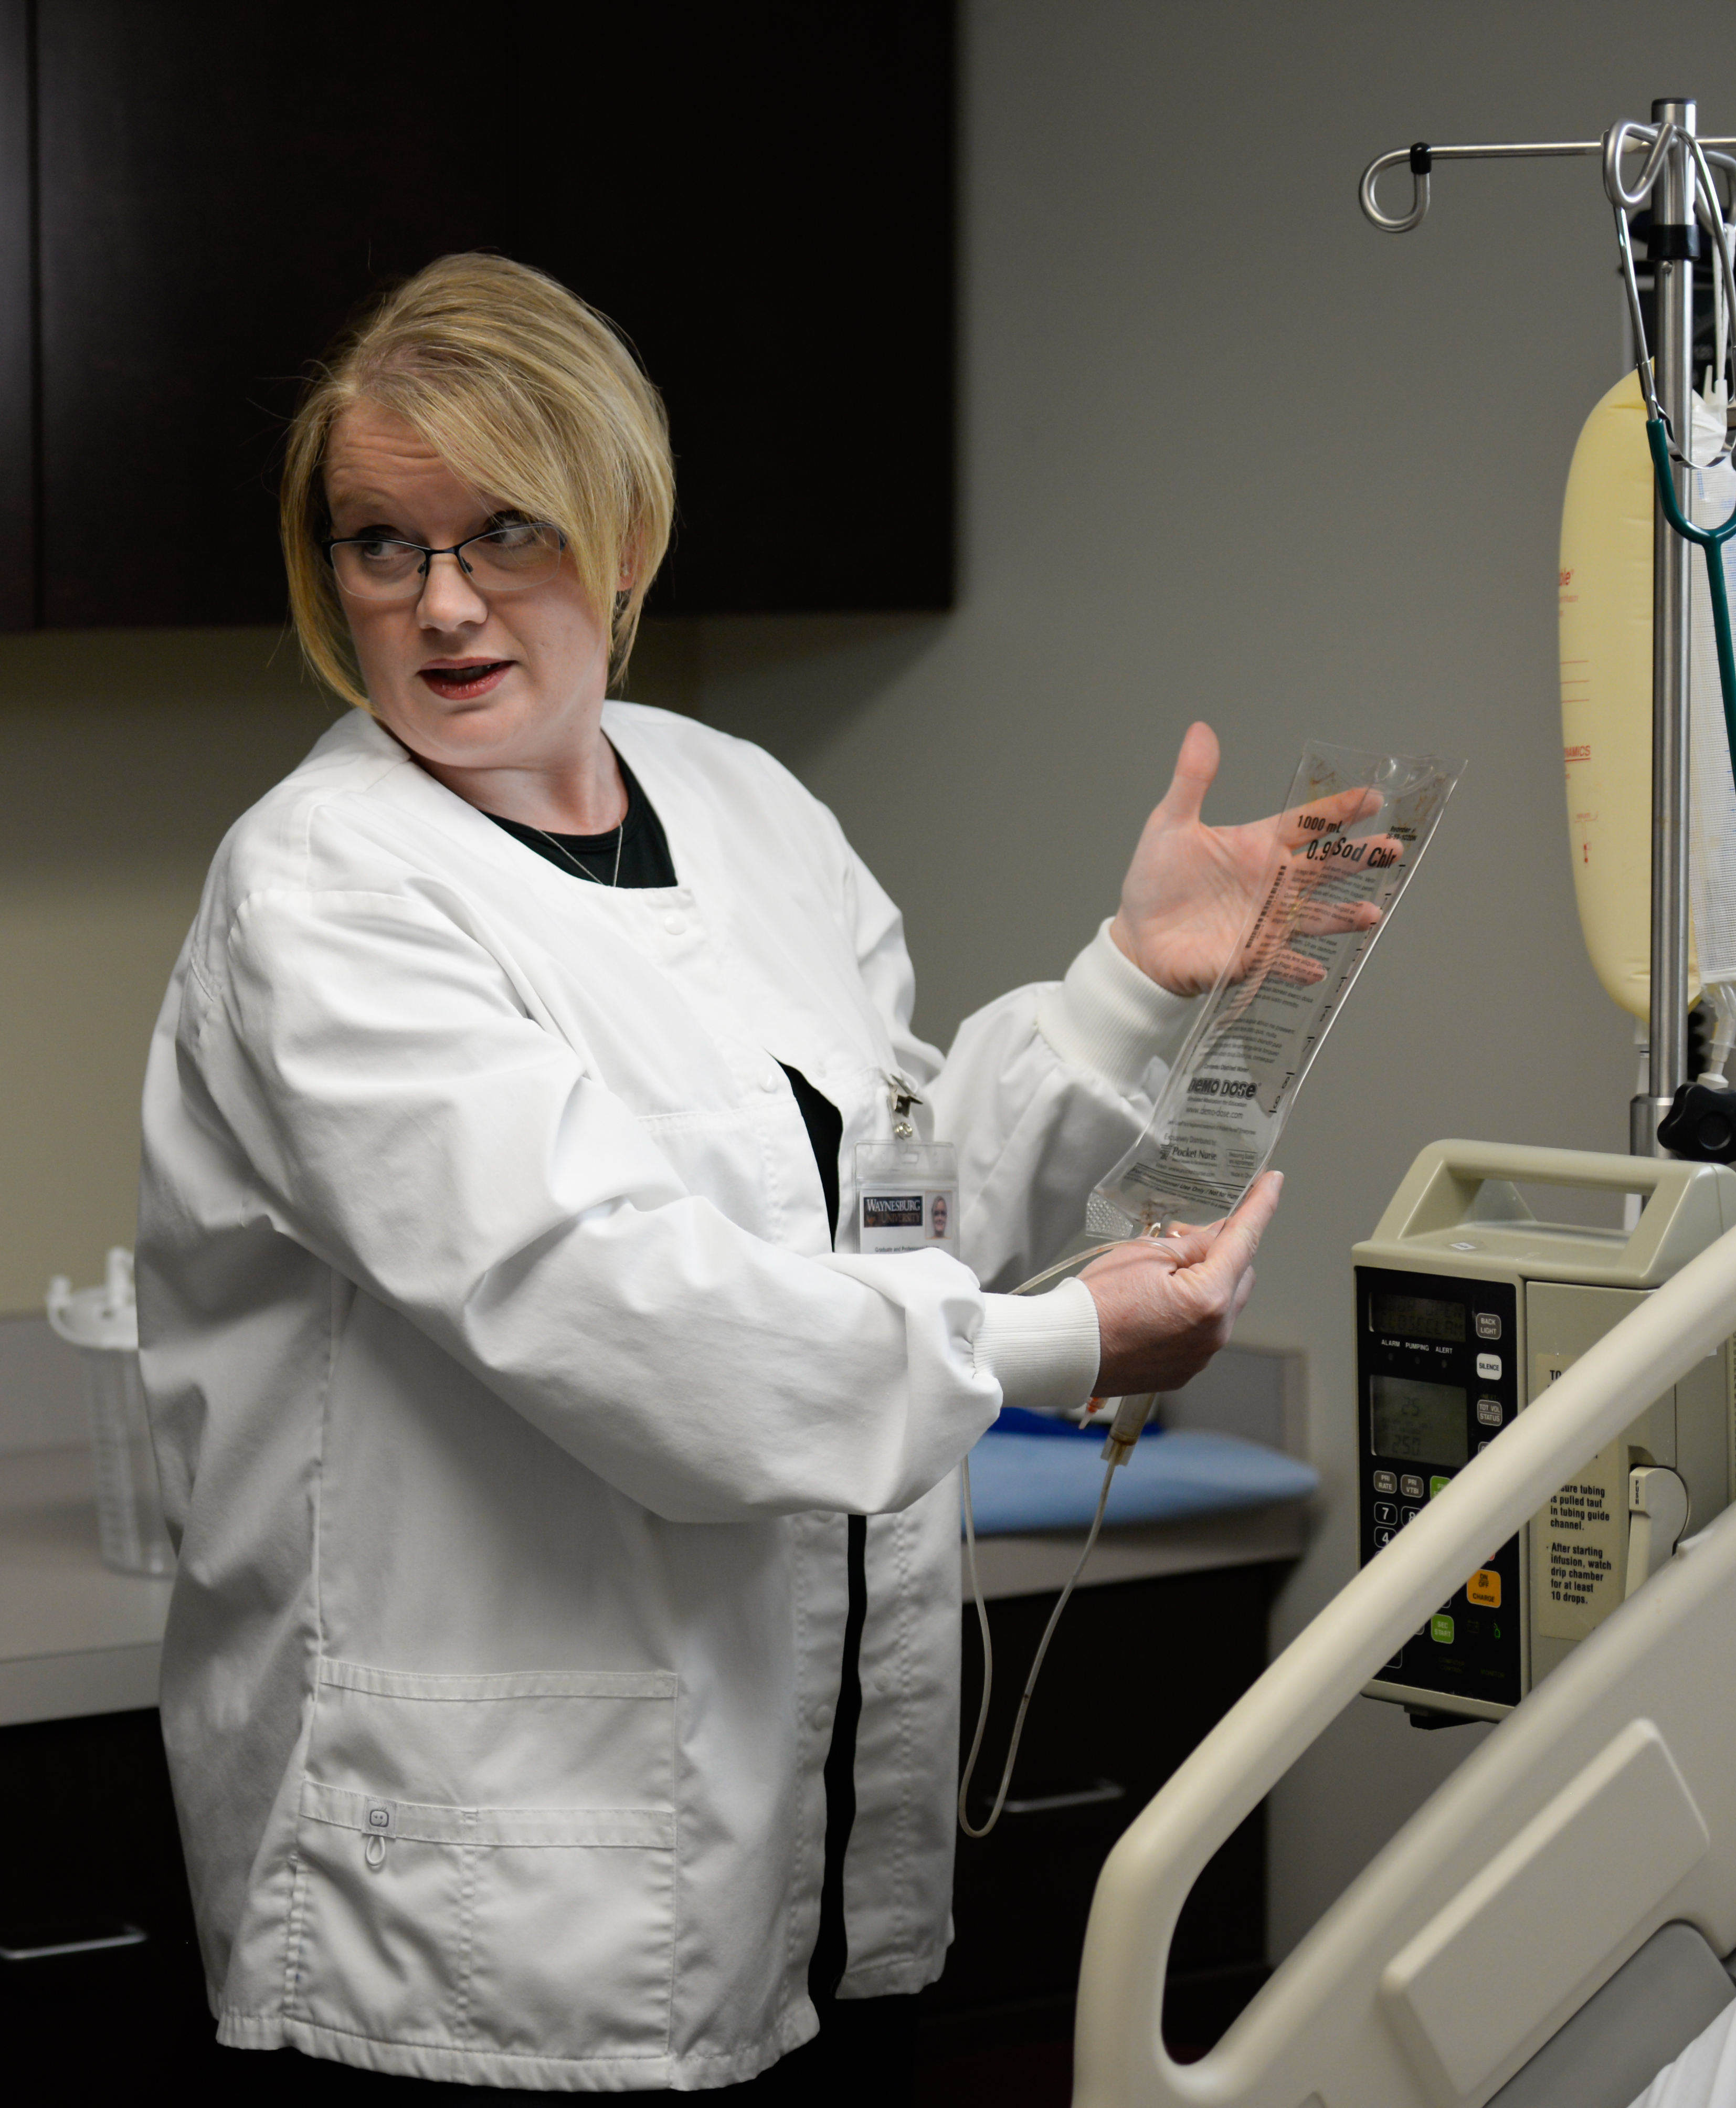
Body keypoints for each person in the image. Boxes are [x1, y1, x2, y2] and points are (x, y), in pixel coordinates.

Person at [136, 252, 1297, 2097]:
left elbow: (886, 1221)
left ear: (626, 535)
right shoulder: (323, 893)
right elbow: (627, 1317)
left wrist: (1126, 983)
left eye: (505, 532)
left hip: (782, 1827)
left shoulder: (741, 805)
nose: (441, 605)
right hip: (477, 1912)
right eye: (381, 544)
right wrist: (1058, 1348)